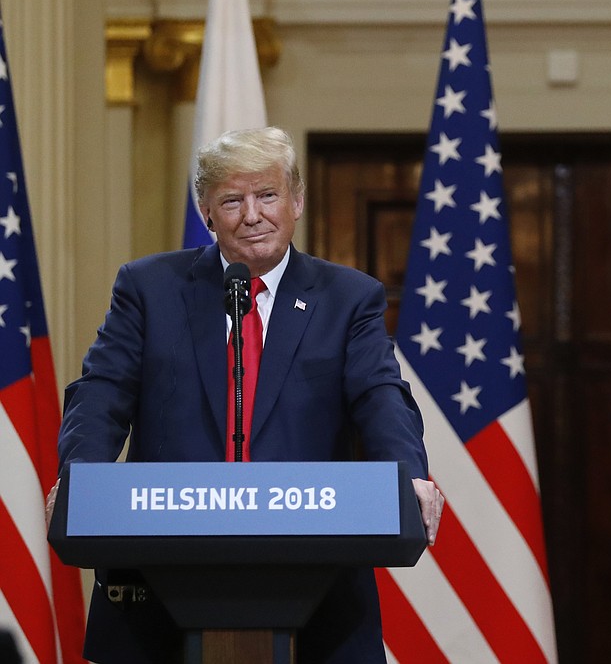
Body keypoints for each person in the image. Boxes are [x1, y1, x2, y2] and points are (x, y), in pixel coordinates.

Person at [51, 126, 444, 664]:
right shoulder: (148, 289)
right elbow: (102, 391)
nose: (252, 215)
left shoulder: (348, 298)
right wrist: (79, 479)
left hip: (316, 587)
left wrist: (409, 473)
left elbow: (380, 396)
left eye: (267, 195)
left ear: (297, 201)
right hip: (160, 584)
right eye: (232, 201)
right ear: (206, 210)